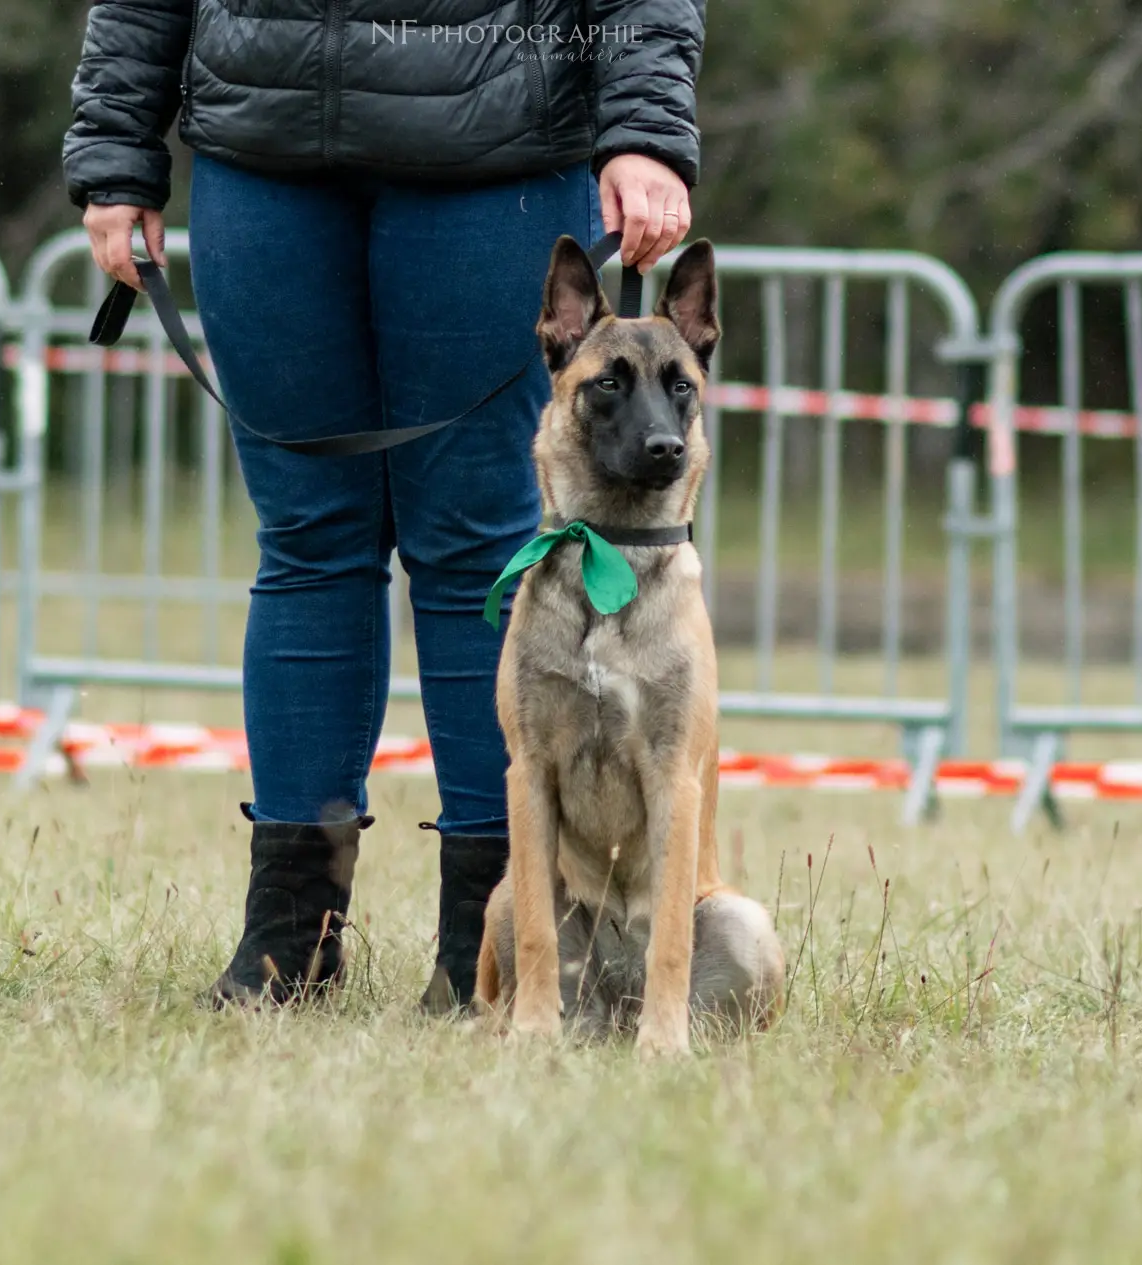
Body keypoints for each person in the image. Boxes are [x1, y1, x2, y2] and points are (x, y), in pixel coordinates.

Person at [62, 0, 706, 1014]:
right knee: (308, 541)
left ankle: (483, 950)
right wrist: (115, 150)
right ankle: (288, 945)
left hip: (491, 147)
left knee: (470, 551)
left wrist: (645, 128)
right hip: (261, 149)